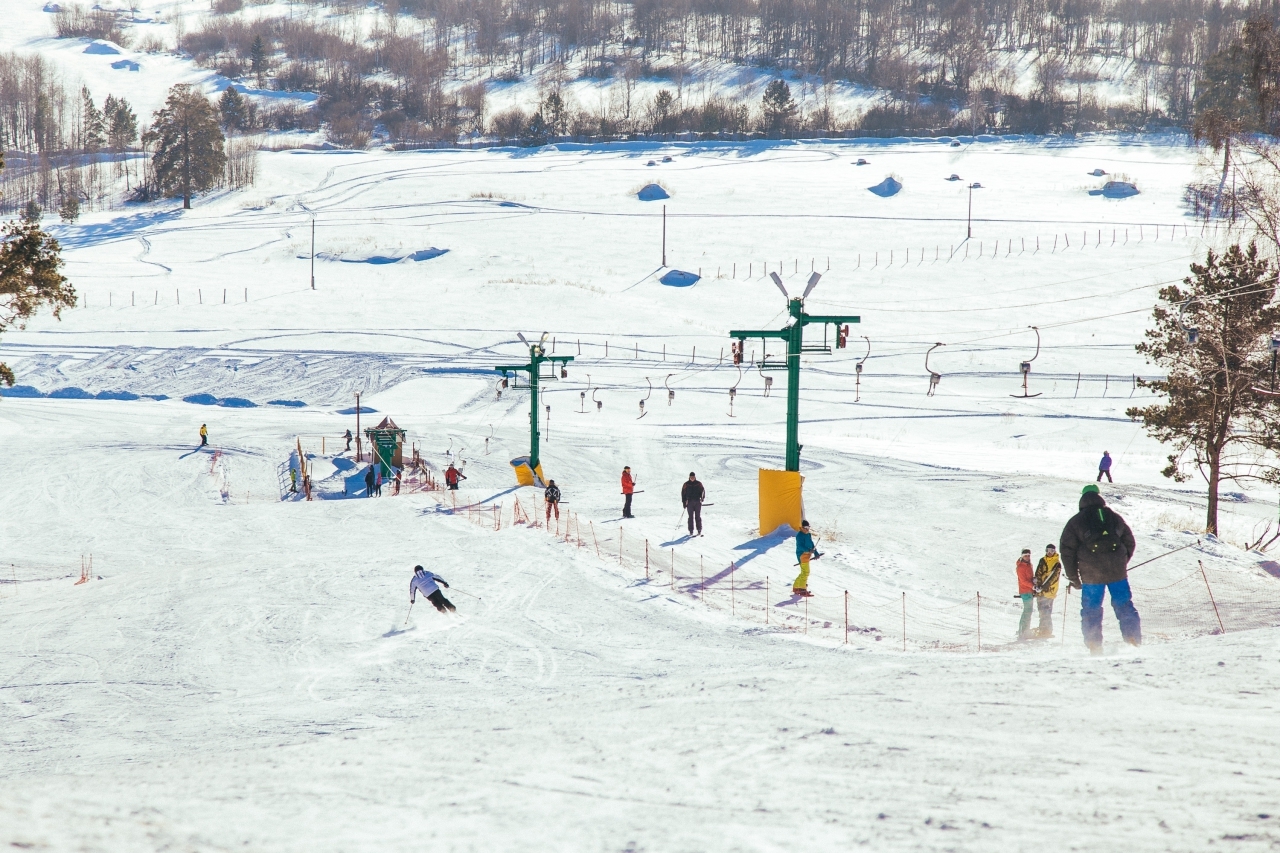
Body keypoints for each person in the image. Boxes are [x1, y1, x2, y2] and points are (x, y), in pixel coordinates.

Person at [1059, 484, 1140, 654]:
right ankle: (1133, 643)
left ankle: (1094, 646)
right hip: (1117, 573)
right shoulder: (1114, 517)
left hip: (1090, 576)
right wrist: (1121, 563)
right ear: (1099, 496)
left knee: (1091, 610)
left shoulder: (1076, 521)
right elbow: (1130, 542)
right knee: (1124, 605)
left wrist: (1074, 577)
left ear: (1082, 498)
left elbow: (1067, 551)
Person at [1034, 544, 1061, 638]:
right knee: (1041, 611)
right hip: (1040, 591)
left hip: (1050, 591)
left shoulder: (1057, 563)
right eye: (1048, 550)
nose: (1049, 553)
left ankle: (1047, 631)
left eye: (1052, 551)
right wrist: (1037, 585)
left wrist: (1044, 587)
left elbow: (1054, 578)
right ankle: (1042, 629)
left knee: (1046, 611)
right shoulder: (1043, 560)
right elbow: (1038, 573)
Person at [793, 520, 818, 597]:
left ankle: (796, 587)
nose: (807, 529)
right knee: (806, 572)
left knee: (804, 572)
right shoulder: (799, 535)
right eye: (805, 528)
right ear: (802, 528)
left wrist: (816, 553)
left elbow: (811, 544)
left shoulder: (808, 535)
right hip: (802, 554)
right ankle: (802, 589)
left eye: (808, 527)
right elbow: (800, 546)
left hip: (808, 554)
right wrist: (808, 550)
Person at [1016, 549, 1035, 640]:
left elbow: (1030, 577)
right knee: (1027, 611)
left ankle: (1024, 630)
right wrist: (1032, 586)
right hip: (1025, 591)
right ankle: (1023, 631)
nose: (1027, 557)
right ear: (1022, 556)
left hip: (1030, 591)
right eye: (1025, 555)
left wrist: (1034, 581)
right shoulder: (1020, 567)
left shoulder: (1029, 565)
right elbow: (1023, 581)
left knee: (1028, 611)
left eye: (1028, 555)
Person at [681, 472, 705, 537]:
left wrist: (701, 499)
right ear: (689, 477)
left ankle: (699, 530)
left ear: (695, 477)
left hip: (697, 502)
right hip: (689, 503)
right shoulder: (686, 484)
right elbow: (683, 494)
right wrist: (684, 502)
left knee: (698, 516)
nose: (692, 478)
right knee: (690, 517)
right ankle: (691, 530)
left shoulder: (698, 484)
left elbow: (703, 492)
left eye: (693, 477)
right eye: (691, 477)